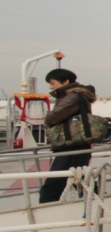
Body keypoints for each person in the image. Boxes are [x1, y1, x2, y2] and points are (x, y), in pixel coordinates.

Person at [40, 69, 95, 203]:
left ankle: (45, 212)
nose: (50, 87)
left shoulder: (72, 96)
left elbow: (54, 117)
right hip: (77, 145)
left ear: (65, 81)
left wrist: (46, 118)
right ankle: (99, 203)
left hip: (70, 146)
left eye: (52, 83)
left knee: (52, 186)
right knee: (80, 180)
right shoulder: (76, 95)